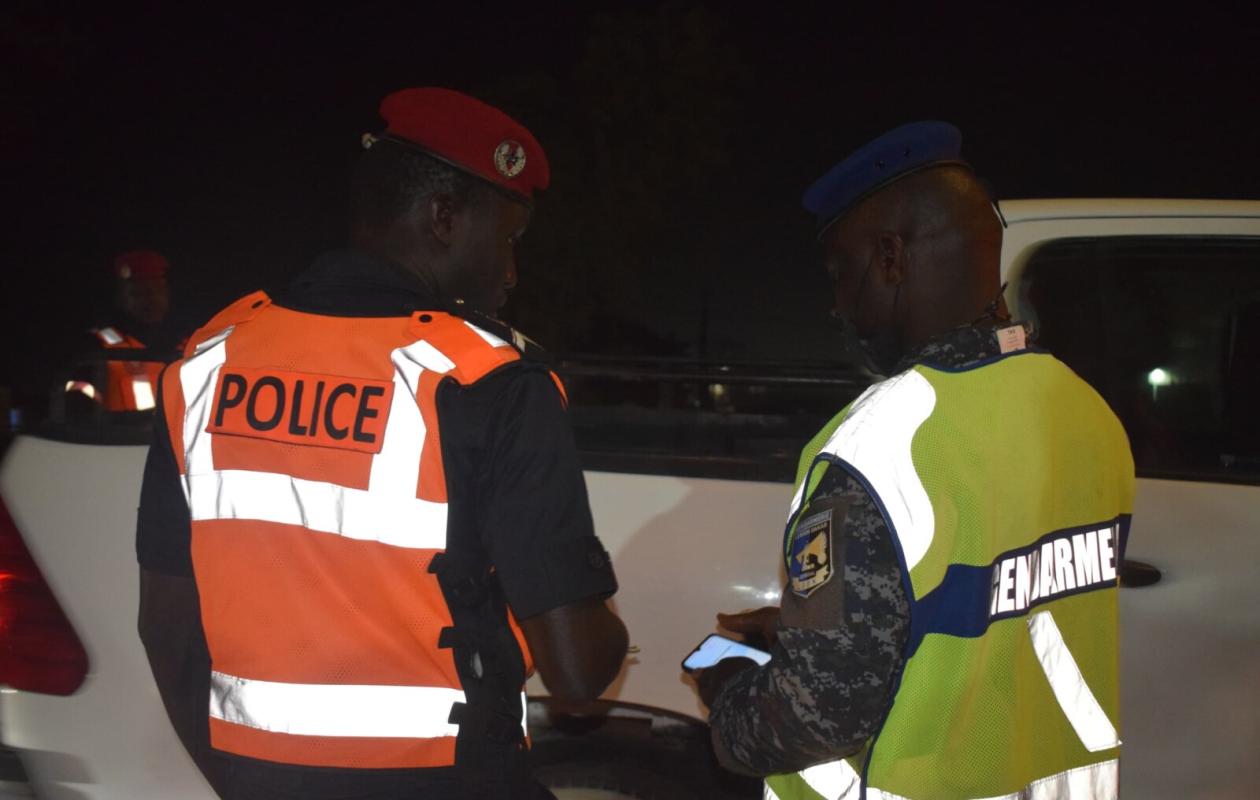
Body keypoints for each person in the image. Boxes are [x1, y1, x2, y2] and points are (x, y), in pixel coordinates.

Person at [135, 87, 628, 800]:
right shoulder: (488, 379)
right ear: (444, 218)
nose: (512, 272)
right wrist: (605, 618)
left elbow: (166, 628)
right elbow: (579, 673)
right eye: (509, 239)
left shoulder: (205, 366)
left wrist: (234, 780)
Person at [693, 122, 1134, 799]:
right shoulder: (1087, 414)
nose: (838, 304)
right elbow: (993, 604)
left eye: (842, 275)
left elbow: (818, 714)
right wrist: (824, 624)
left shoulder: (878, 445)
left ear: (891, 258)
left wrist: (726, 688)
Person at [67, 249, 175, 411]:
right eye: (139, 293)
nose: (151, 299)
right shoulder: (96, 346)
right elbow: (76, 405)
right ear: (121, 298)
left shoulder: (187, 342)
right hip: (119, 435)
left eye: (158, 290)